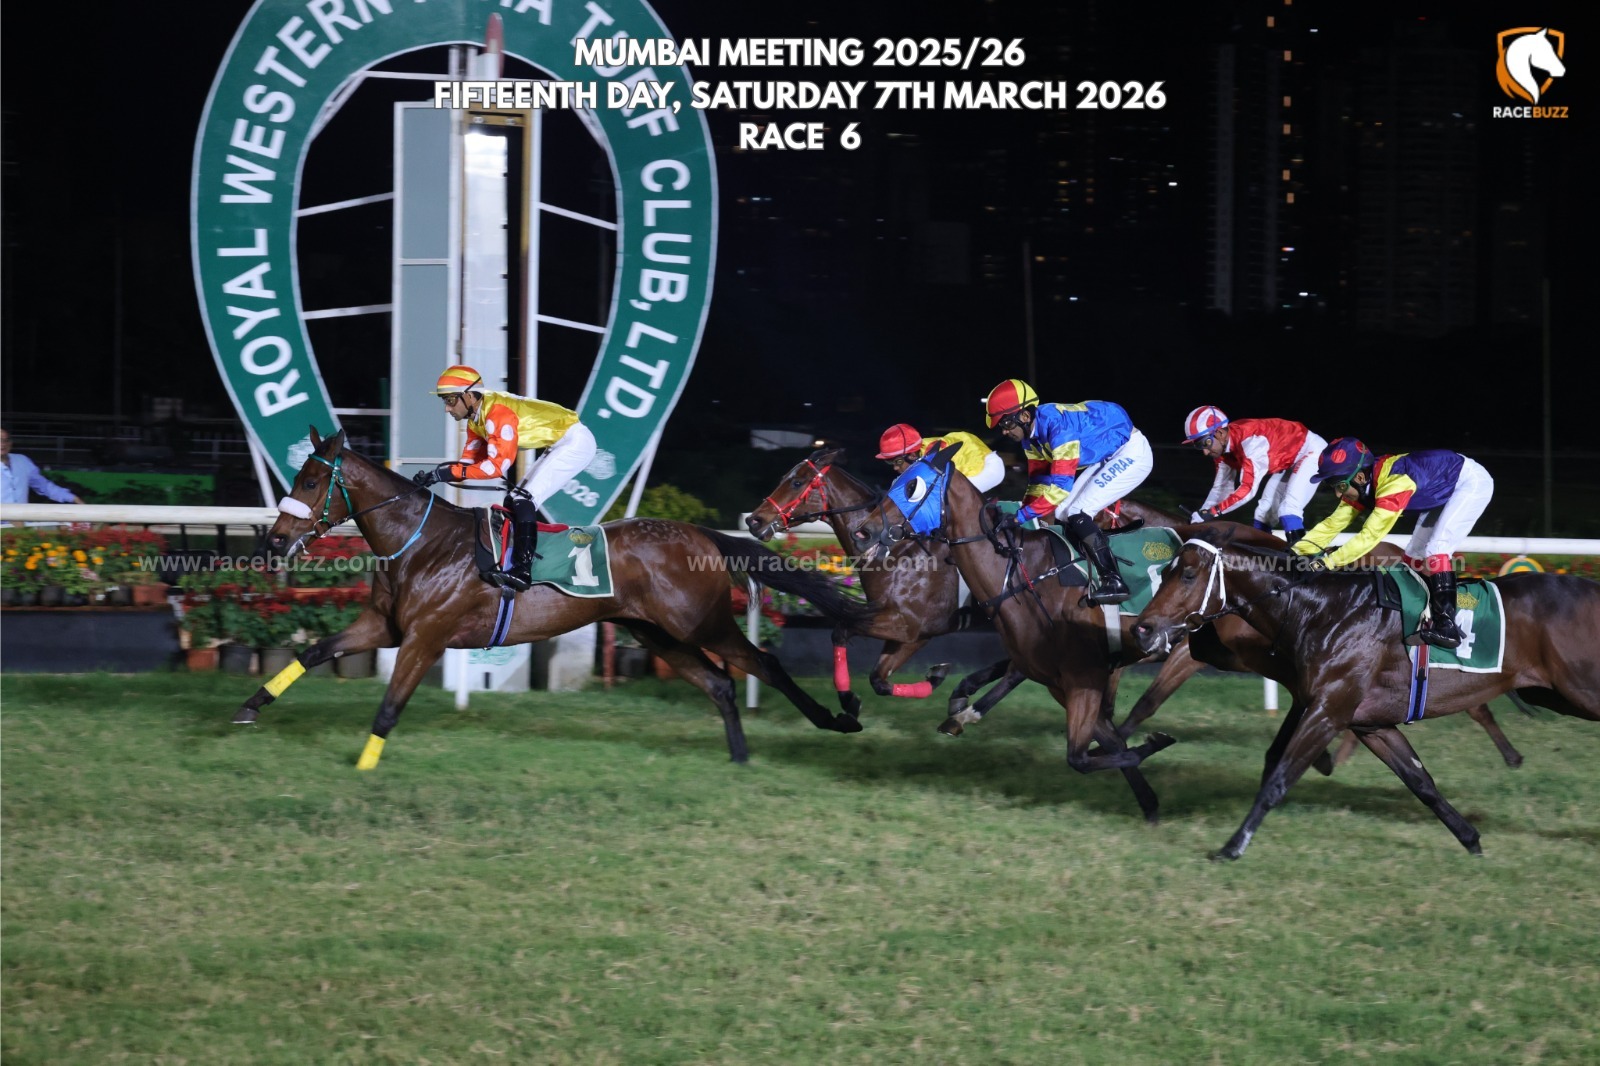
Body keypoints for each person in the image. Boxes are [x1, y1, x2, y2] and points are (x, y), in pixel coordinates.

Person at [1291, 437, 1494, 649]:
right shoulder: (1363, 484)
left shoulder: (1394, 485)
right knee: (1412, 557)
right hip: (1441, 487)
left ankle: (1447, 625)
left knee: (1437, 549)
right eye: (1331, 485)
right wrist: (1297, 550)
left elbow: (1369, 536)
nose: (1338, 493)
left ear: (1360, 477)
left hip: (1469, 483)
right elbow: (1333, 523)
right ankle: (1421, 612)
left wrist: (1327, 563)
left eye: (1340, 485)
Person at [413, 365, 597, 591]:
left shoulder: (497, 414)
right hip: (560, 443)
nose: (447, 408)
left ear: (469, 396)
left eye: (450, 400)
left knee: (524, 499)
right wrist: (433, 476)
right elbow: (467, 465)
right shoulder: (475, 420)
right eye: (445, 401)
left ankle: (524, 570)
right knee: (513, 500)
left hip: (576, 443)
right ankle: (515, 559)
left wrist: (447, 473)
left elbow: (495, 467)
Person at [982, 379, 1153, 606]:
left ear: (1024, 416)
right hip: (1108, 454)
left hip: (1131, 453)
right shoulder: (1030, 438)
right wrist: (1022, 515)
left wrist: (1019, 518)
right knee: (1063, 512)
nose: (1003, 431)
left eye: (1005, 423)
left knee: (1078, 511)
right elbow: (1039, 482)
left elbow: (1059, 488)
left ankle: (1114, 581)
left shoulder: (1059, 428)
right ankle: (1085, 567)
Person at [1180, 406, 1327, 546]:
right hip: (1289, 461)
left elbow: (1248, 489)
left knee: (1289, 509)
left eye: (1205, 443)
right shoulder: (1221, 449)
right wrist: (1201, 515)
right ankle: (1264, 559)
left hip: (1311, 452)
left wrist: (1212, 512)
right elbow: (1221, 488)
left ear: (1220, 433)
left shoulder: (1251, 443)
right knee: (1262, 514)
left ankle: (1306, 560)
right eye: (1198, 445)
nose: (1205, 452)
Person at [875, 423, 1006, 494]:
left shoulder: (928, 459)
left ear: (912, 456)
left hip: (988, 467)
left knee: (940, 499)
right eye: (890, 462)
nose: (895, 467)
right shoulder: (916, 453)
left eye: (897, 462)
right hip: (966, 458)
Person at [1, 427, 83, 506]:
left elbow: (44, 486)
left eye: (6, 440)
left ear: (11, 442)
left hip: (21, 518)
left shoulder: (22, 461)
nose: (3, 444)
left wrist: (73, 498)